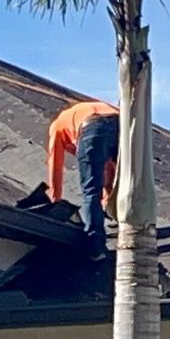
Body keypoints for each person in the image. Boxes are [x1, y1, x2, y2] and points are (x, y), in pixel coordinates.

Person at [45, 100, 121, 246]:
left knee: (91, 191)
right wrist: (107, 201)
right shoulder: (80, 112)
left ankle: (95, 241)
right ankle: (135, 221)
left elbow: (55, 164)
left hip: (92, 126)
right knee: (129, 178)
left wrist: (55, 201)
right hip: (121, 123)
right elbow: (108, 167)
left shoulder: (57, 126)